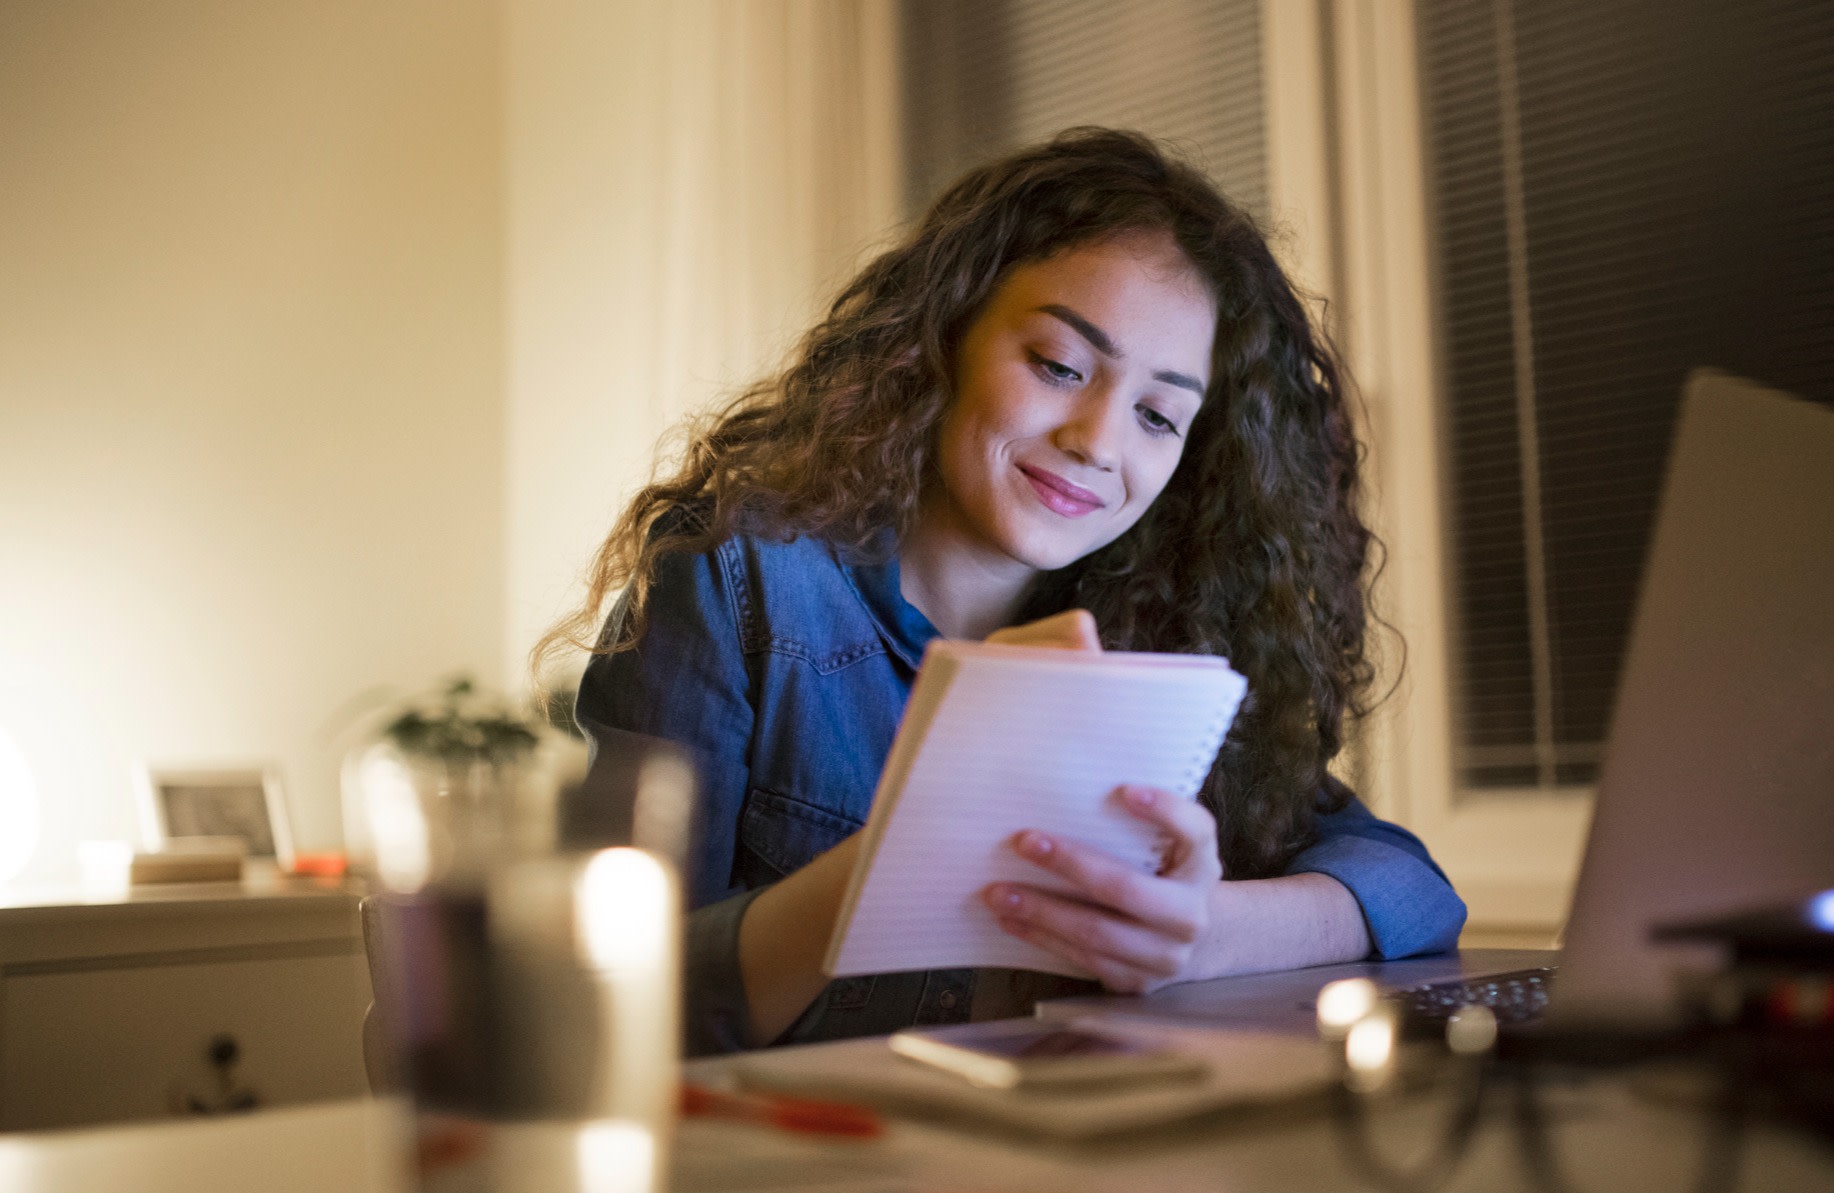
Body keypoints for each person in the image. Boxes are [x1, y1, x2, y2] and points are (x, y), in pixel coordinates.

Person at [541, 128, 1467, 1056]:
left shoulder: (1162, 643)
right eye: (1059, 366)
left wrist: (1199, 931)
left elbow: (1409, 884)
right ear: (941, 339)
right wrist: (912, 852)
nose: (1098, 441)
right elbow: (604, 999)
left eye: (1157, 414)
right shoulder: (736, 580)